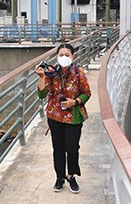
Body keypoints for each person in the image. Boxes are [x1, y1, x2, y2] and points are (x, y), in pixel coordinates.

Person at [36, 43, 91, 193]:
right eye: (61, 55)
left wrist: (75, 101)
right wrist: (41, 77)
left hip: (73, 117)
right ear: (56, 57)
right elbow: (42, 94)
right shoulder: (51, 73)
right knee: (58, 148)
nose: (64, 57)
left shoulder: (79, 73)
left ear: (73, 56)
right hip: (55, 116)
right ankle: (60, 177)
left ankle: (71, 176)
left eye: (67, 55)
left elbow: (87, 93)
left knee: (72, 148)